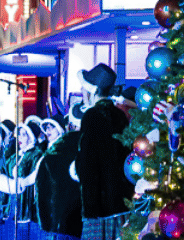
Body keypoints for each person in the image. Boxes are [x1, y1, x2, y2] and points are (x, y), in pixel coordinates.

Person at [75, 65, 131, 240]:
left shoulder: (91, 116)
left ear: (92, 91)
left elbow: (87, 161)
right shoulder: (120, 115)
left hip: (99, 202)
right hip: (121, 198)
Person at [34, 116, 80, 240]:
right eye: (46, 128)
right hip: (45, 205)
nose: (48, 130)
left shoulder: (65, 147)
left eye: (52, 127)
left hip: (61, 205)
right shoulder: (42, 149)